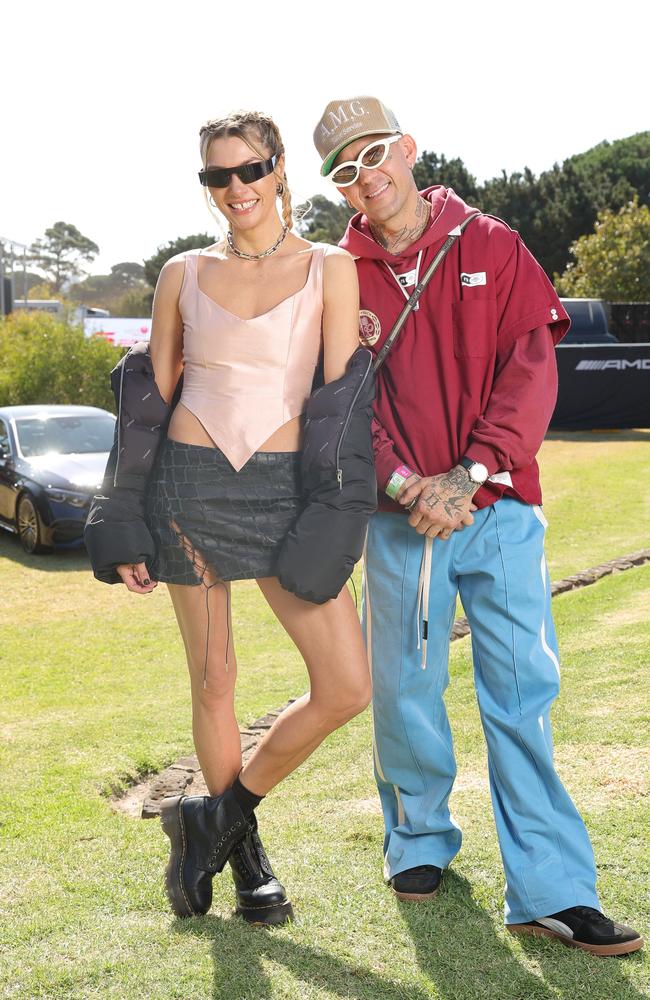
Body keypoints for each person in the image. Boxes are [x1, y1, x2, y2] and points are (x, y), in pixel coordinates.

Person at [311, 95, 643, 957]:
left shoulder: (491, 243)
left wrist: (469, 473)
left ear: (408, 148)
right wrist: (401, 479)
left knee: (523, 700)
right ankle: (417, 841)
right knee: (405, 691)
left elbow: (532, 370)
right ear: (341, 190)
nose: (367, 176)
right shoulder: (337, 275)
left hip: (499, 510)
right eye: (345, 170)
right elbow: (342, 397)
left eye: (375, 153)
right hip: (399, 519)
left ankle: (552, 888)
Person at [85, 110, 375, 926]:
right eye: (219, 176)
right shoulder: (181, 272)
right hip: (190, 490)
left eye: (250, 170)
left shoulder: (332, 266)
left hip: (286, 493)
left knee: (347, 686)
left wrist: (337, 506)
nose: (237, 189)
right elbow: (149, 401)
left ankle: (216, 816)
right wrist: (123, 516)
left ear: (280, 169)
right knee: (215, 680)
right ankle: (248, 861)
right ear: (206, 186)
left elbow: (340, 406)